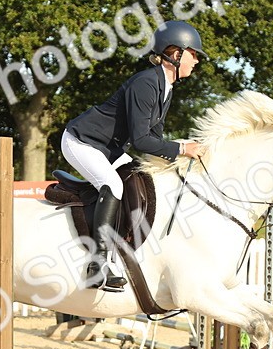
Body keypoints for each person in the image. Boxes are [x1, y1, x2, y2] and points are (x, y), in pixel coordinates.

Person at [62, 19, 209, 292]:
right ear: (175, 54)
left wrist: (181, 153)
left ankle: (123, 246)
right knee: (113, 184)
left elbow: (155, 137)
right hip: (82, 141)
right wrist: (180, 148)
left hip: (109, 148)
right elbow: (142, 140)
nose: (197, 61)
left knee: (138, 180)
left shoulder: (165, 88)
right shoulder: (146, 83)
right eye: (193, 54)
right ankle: (98, 265)